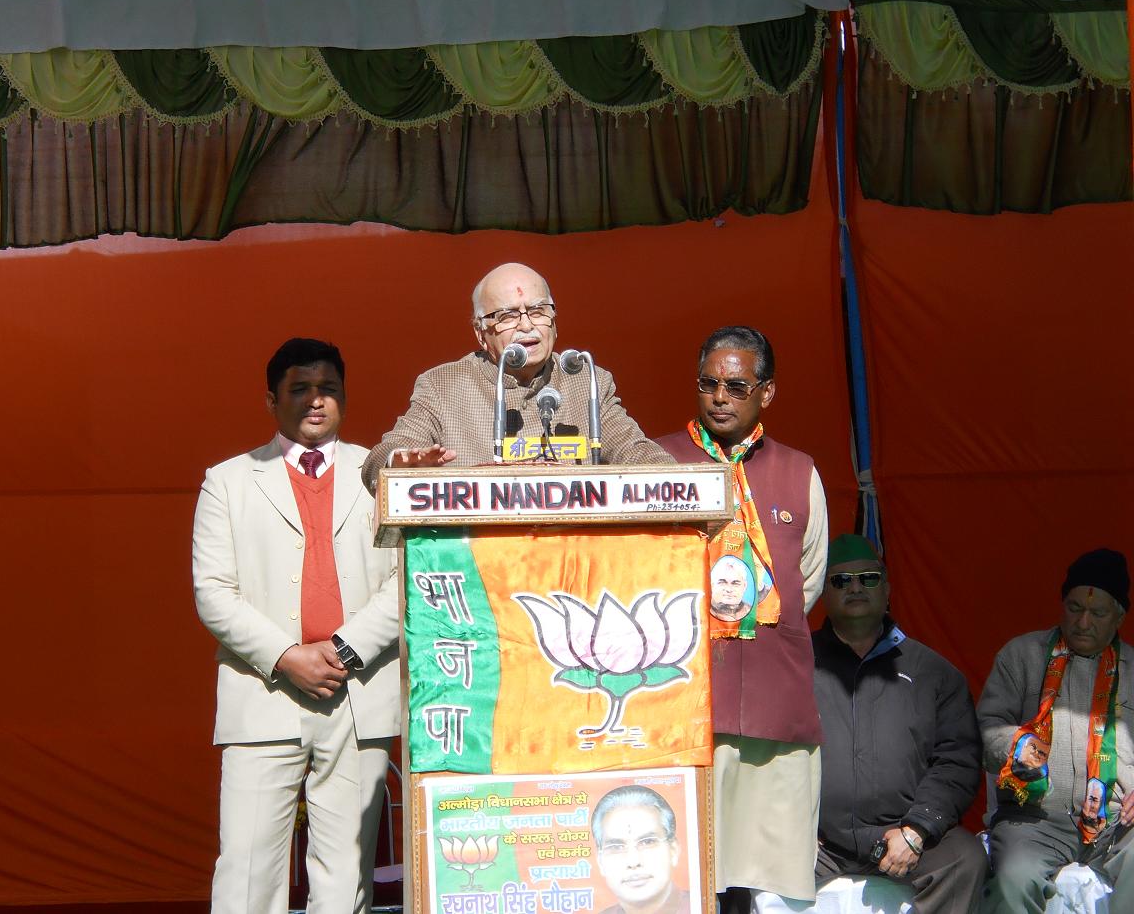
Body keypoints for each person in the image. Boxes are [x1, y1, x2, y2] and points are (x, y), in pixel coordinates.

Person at [192, 338, 400, 914]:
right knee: (248, 871)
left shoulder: (383, 473)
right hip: (263, 693)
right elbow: (213, 593)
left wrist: (342, 651)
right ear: (271, 399)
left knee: (346, 875)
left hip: (356, 694)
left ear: (344, 397)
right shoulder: (228, 480)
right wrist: (288, 656)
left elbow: (404, 580)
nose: (316, 401)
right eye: (300, 389)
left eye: (328, 389)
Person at [654, 325, 827, 911]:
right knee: (691, 877)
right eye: (709, 384)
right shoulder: (658, 460)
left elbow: (809, 577)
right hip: (686, 703)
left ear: (767, 393)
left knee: (772, 883)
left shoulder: (799, 471)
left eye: (737, 385)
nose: (720, 397)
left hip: (775, 703)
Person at [360, 261, 671, 491]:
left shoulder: (587, 380)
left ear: (554, 319)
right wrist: (399, 462)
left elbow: (634, 451)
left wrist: (679, 480)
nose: (526, 325)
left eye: (537, 311)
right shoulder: (443, 386)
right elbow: (383, 457)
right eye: (507, 316)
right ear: (480, 333)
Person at [813, 534, 986, 912]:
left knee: (966, 860)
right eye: (841, 581)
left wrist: (918, 829)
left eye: (868, 578)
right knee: (748, 868)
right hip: (817, 842)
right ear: (823, 593)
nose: (856, 587)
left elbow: (957, 760)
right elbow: (771, 752)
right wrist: (796, 826)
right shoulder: (796, 667)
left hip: (903, 833)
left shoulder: (934, 673)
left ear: (887, 589)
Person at [979, 548, 1134, 914]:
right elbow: (984, 730)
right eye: (1074, 608)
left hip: (1117, 825)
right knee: (1013, 880)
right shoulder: (1021, 656)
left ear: (1120, 617)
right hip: (1032, 820)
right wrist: (1016, 746)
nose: (1083, 622)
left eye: (1097, 613)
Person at [592, 785, 690, 914]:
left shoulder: (703, 906)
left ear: (673, 850)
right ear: (600, 862)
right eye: (616, 847)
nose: (633, 862)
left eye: (647, 842)